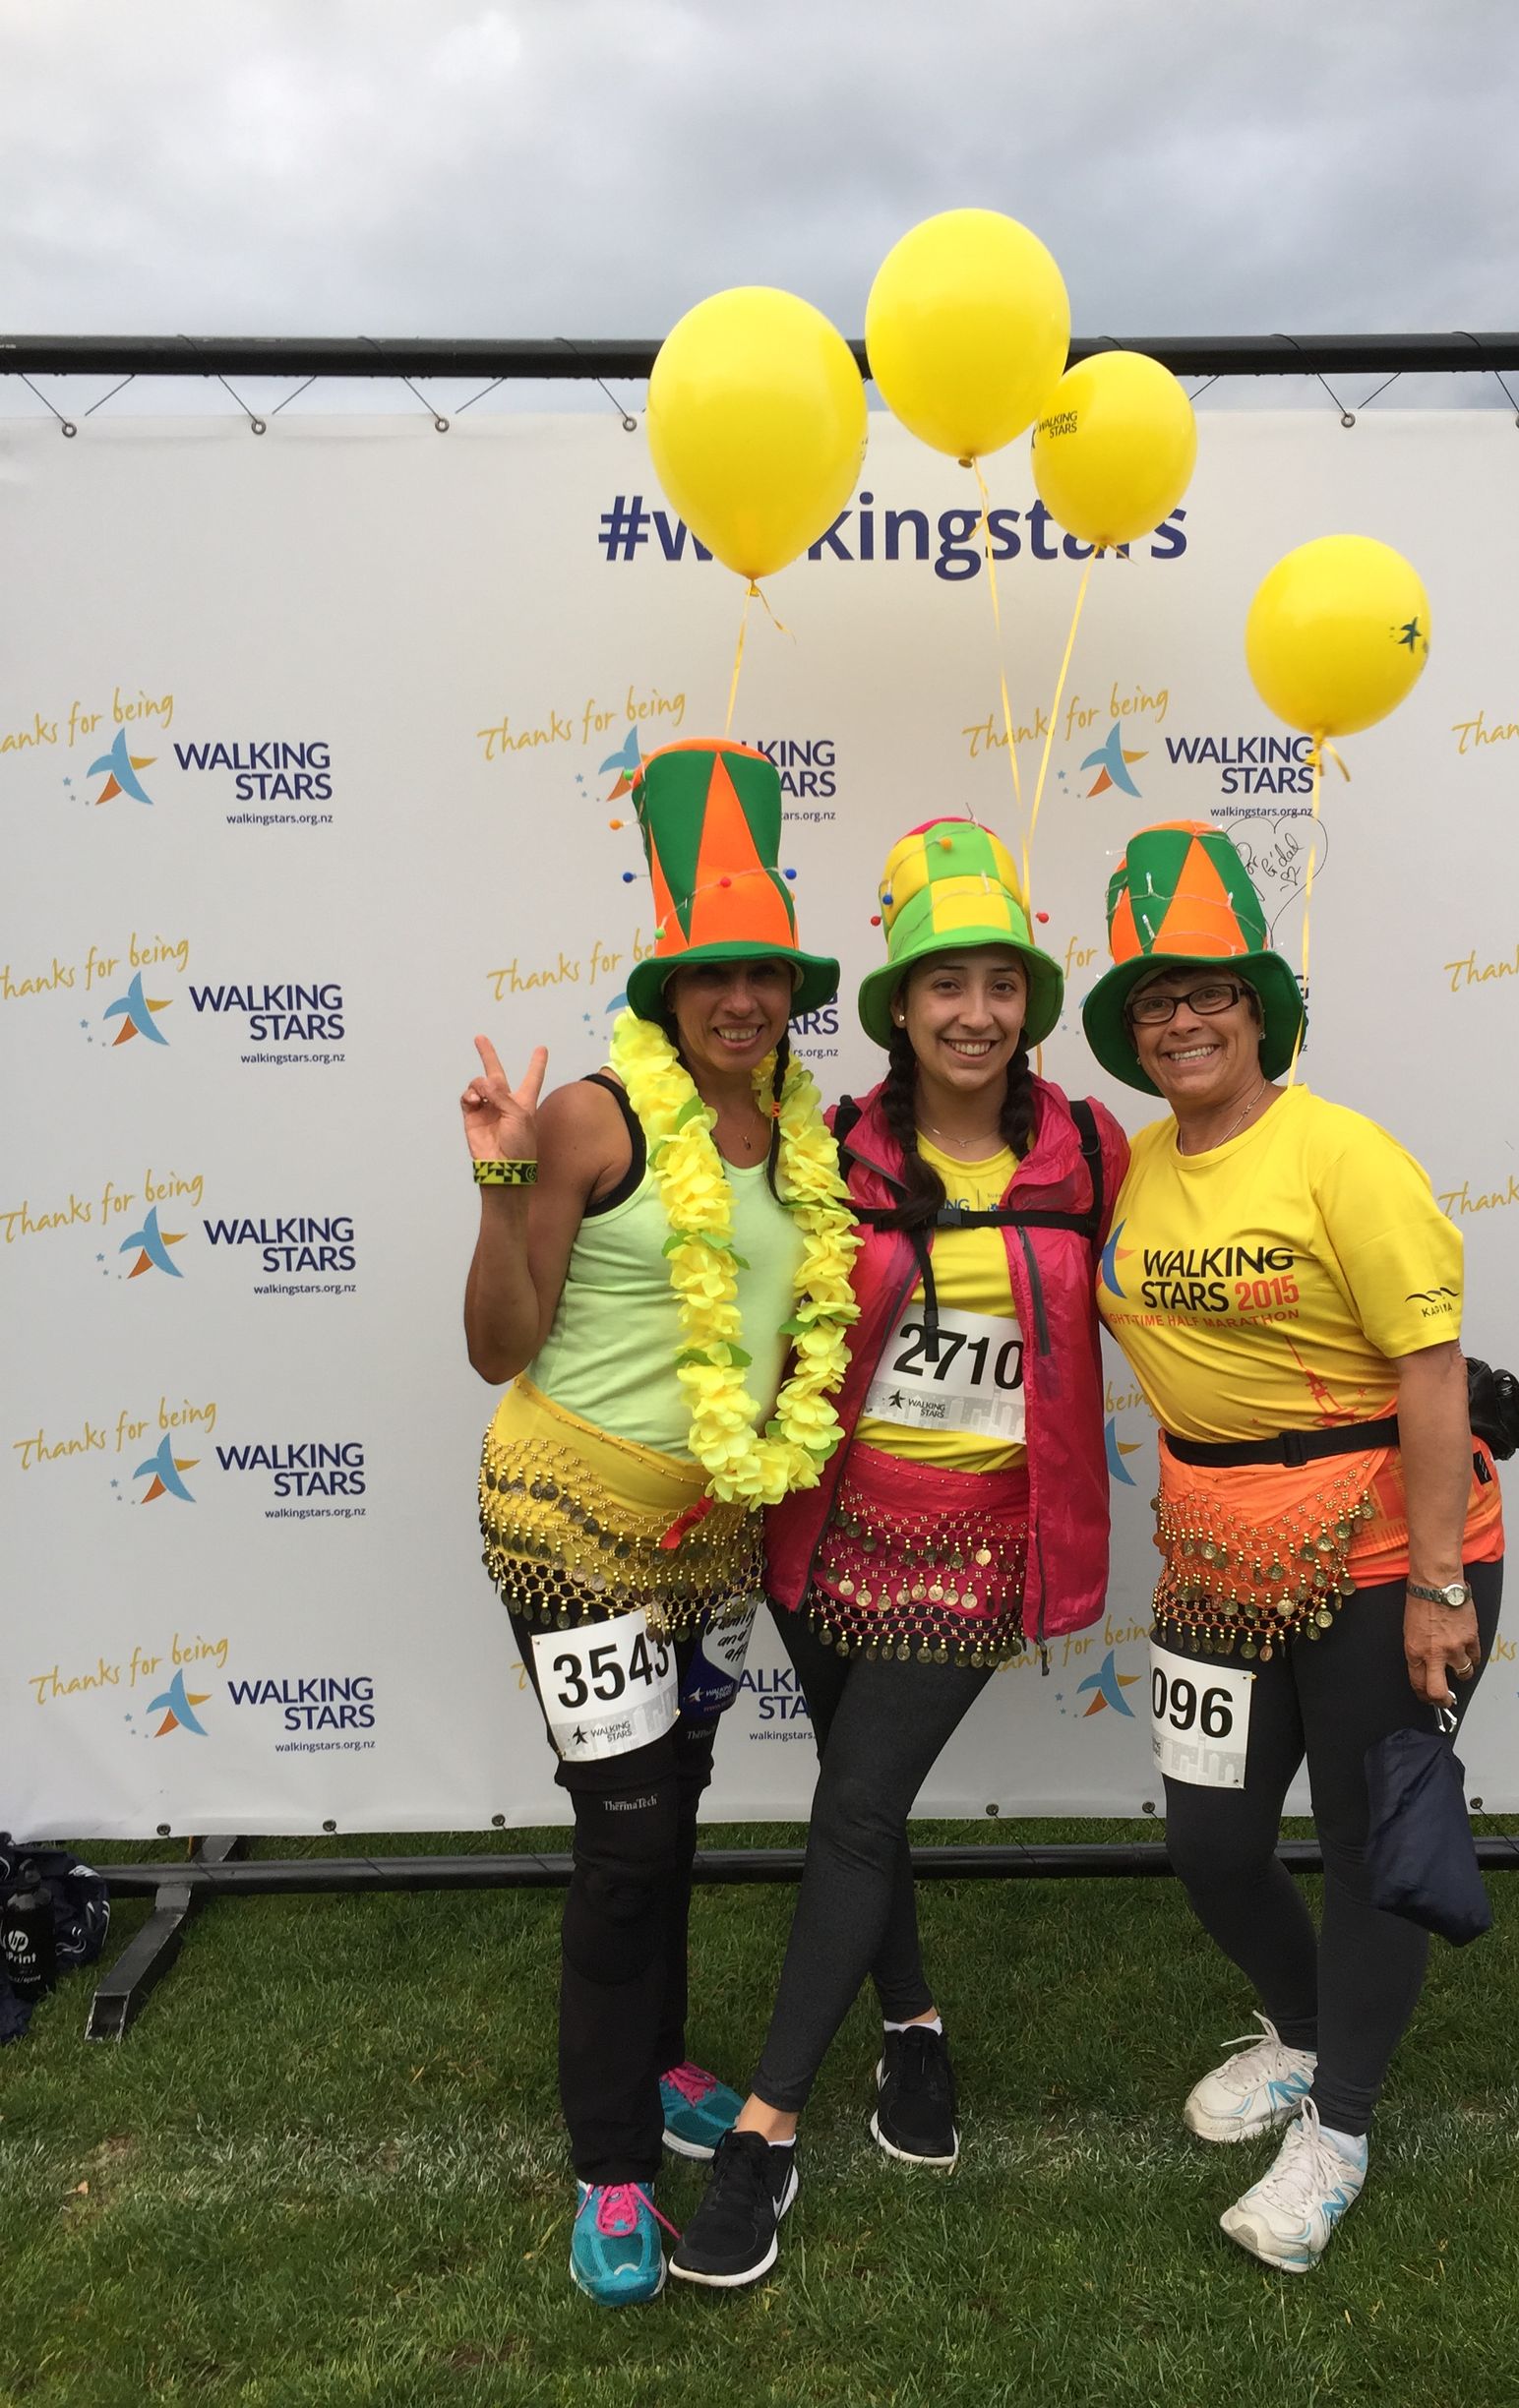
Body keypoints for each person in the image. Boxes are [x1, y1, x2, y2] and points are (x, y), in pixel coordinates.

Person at [670, 818, 1128, 2290]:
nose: (975, 1014)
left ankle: (766, 2132)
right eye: (946, 986)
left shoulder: (1092, 1149)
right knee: (854, 1797)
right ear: (899, 1010)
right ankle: (915, 2025)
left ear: (1032, 1006)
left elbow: (1195, 1288)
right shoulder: (837, 1147)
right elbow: (727, 1263)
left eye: (1001, 983)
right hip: (830, 1522)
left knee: (859, 1804)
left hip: (988, 1538)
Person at [460, 738, 856, 2308]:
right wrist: (498, 1188)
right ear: (670, 987)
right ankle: (612, 2162)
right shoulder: (590, 1120)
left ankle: (666, 2054)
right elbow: (501, 1344)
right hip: (565, 1521)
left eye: (764, 976)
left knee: (672, 1814)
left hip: (709, 1544)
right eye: (713, 977)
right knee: (626, 1846)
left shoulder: (805, 1139)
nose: (741, 1001)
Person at [1081, 819, 1505, 2274]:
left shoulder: (1342, 1153)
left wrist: (1444, 1583)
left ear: (1259, 1012)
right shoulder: (1131, 1170)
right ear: (1131, 1036)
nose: (1183, 1020)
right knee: (1210, 1840)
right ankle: (1308, 2029)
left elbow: (1434, 1369)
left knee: (1371, 1845)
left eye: (1209, 994)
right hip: (1214, 1551)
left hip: (1385, 1543)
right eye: (1154, 1001)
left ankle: (1343, 2124)